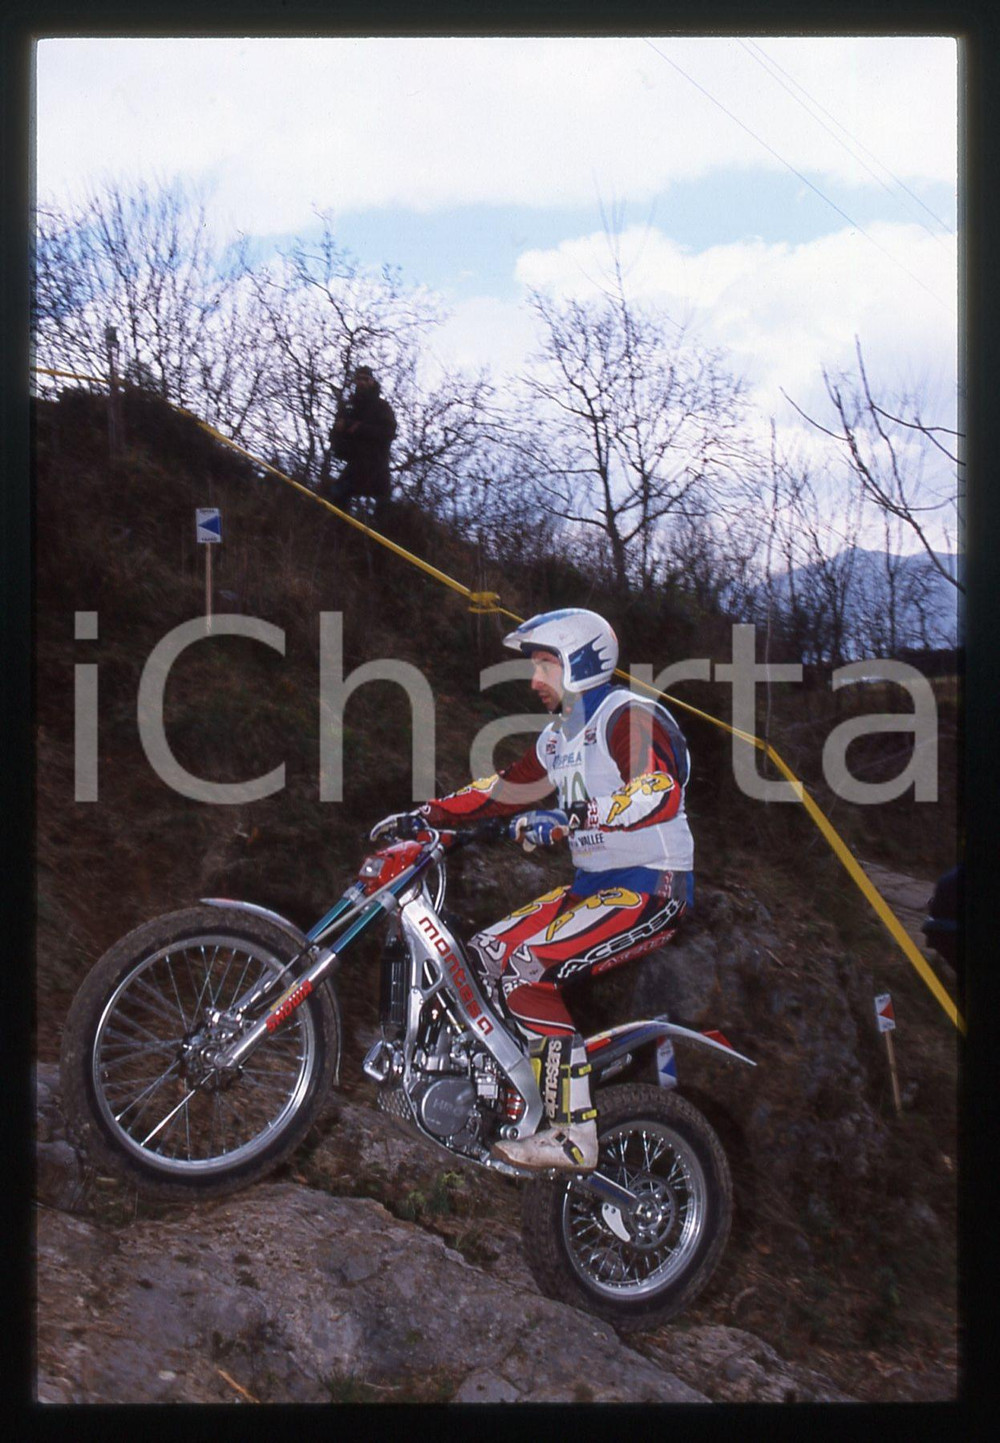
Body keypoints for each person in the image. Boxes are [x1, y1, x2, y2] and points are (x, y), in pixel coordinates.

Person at [403, 608, 694, 1172]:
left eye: (544, 664)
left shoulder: (627, 715)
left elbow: (660, 789)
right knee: (481, 957)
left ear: (582, 661)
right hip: (590, 889)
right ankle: (515, 1093)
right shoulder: (560, 737)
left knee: (530, 966)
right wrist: (428, 814)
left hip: (651, 888)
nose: (534, 680)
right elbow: (505, 790)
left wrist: (574, 816)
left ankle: (573, 1131)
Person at [322, 366, 397, 526]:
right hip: (355, 464)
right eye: (359, 379)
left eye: (366, 379)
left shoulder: (382, 406)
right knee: (336, 497)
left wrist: (357, 427)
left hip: (377, 464)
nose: (362, 382)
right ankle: (338, 539)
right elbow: (337, 429)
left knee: (384, 513)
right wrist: (338, 439)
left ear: (372, 381)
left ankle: (379, 545)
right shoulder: (350, 406)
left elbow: (388, 433)